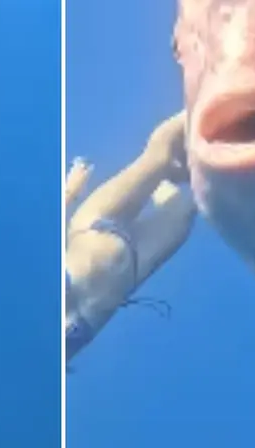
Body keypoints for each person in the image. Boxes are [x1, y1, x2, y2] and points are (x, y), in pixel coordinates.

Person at [64, 111, 198, 364]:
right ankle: (166, 178)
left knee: (160, 154)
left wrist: (70, 192)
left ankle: (206, 100)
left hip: (94, 227)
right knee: (184, 210)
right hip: (136, 264)